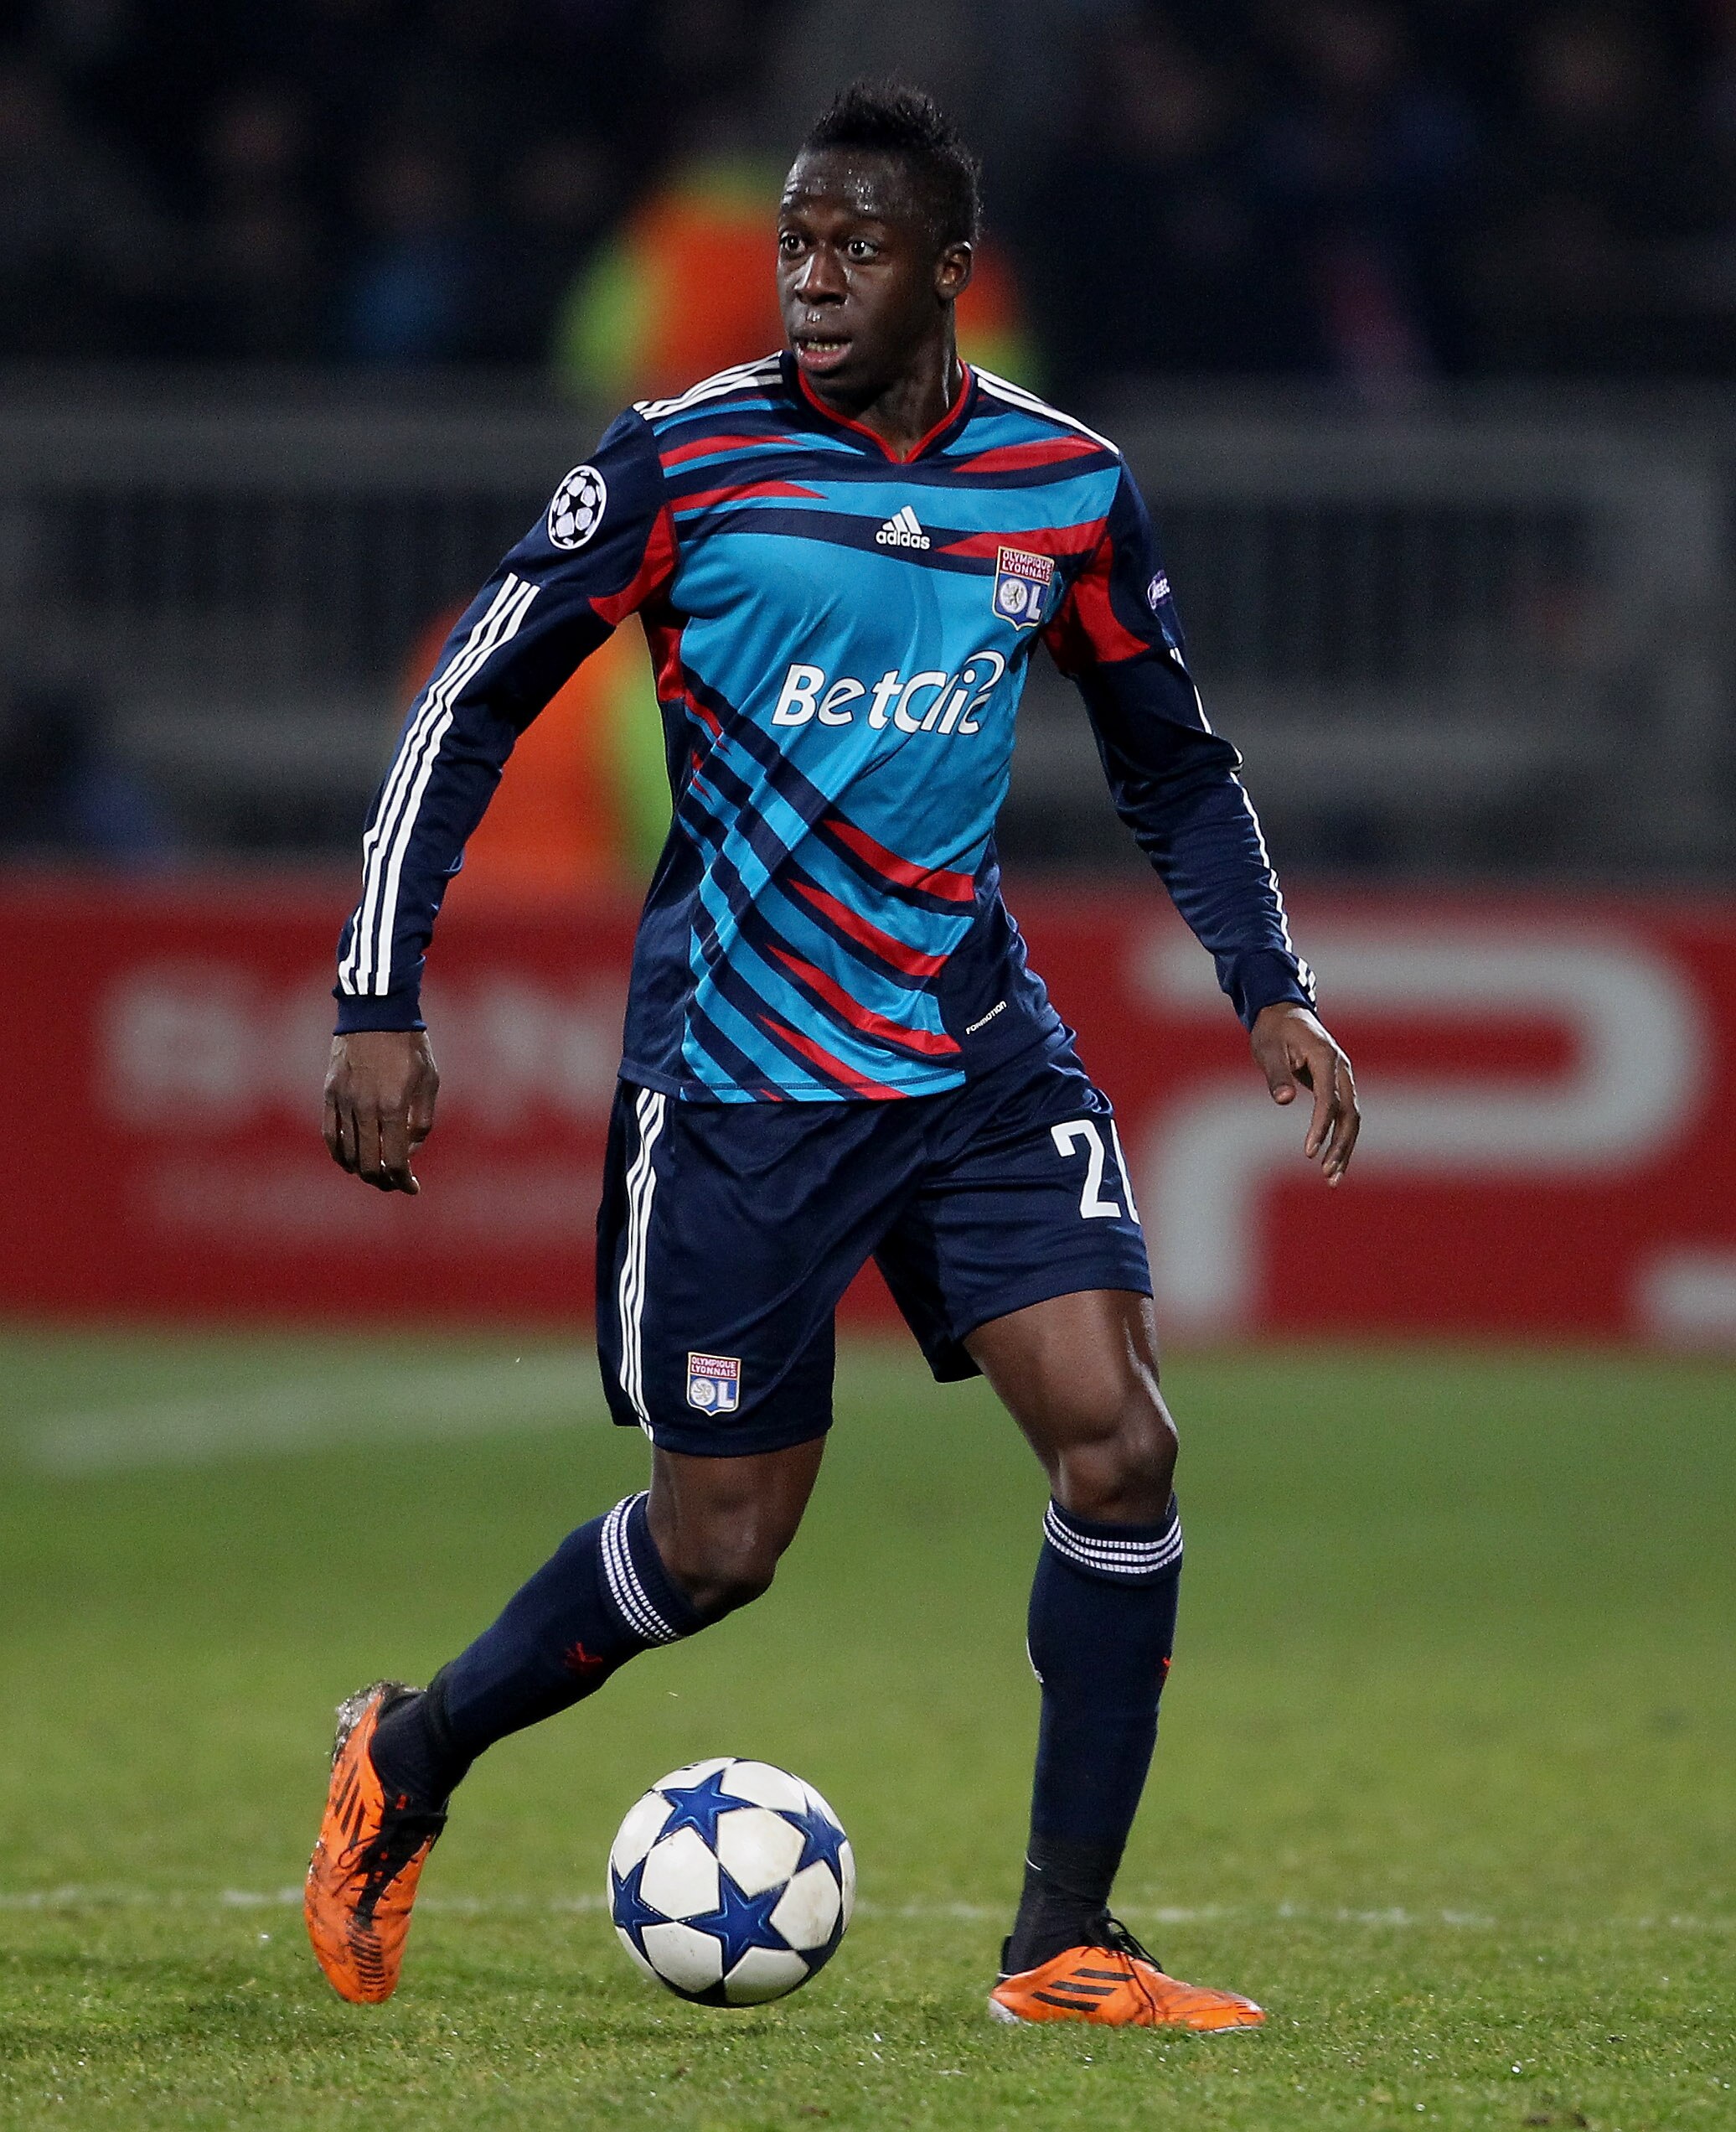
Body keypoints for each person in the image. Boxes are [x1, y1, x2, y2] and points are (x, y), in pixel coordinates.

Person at [307, 80, 1360, 2031]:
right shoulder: (679, 465)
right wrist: (380, 996)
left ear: (949, 272)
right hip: (742, 1070)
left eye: (854, 245)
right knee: (720, 1553)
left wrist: (1268, 982)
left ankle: (1063, 1943)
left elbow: (1173, 764)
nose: (808, 276)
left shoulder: (1063, 485)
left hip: (969, 1048)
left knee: (1122, 1448)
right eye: (794, 240)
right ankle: (414, 1751)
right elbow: (466, 705)